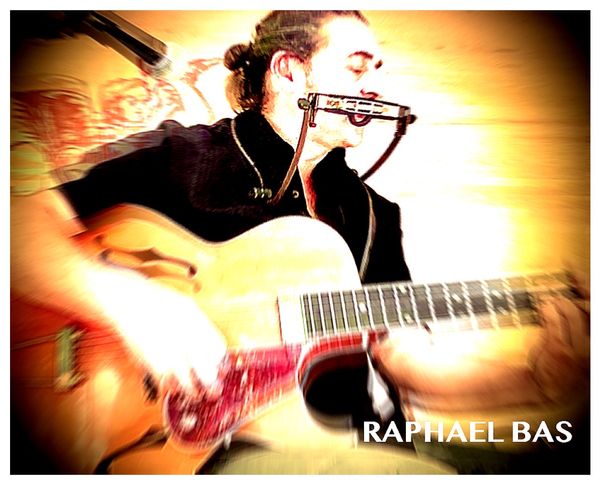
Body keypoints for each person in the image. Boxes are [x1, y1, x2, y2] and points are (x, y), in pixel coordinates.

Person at [10, 10, 589, 474]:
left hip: (348, 441)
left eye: (378, 70)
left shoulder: (373, 215)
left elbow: (404, 356)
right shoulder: (181, 157)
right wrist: (122, 299)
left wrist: (534, 380)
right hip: (199, 451)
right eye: (357, 68)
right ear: (289, 71)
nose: (375, 86)